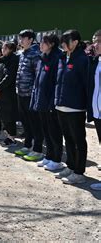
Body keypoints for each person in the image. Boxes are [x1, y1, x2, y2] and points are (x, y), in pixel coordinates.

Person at [54, 30, 89, 184]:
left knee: (78, 140)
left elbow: (87, 85)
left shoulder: (83, 59)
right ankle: (71, 165)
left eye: (65, 41)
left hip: (76, 107)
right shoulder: (63, 58)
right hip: (61, 106)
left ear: (75, 42)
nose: (63, 45)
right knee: (68, 139)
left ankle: (79, 172)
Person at [29, 33, 64, 171]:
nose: (40, 45)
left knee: (54, 131)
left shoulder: (57, 58)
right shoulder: (42, 58)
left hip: (50, 103)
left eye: (44, 42)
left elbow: (56, 83)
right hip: (41, 100)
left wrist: (51, 103)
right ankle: (49, 156)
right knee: (46, 131)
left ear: (52, 44)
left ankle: (57, 159)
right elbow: (38, 82)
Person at [14, 29, 44, 161]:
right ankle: (27, 145)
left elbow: (38, 76)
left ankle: (37, 150)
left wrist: (34, 93)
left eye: (23, 38)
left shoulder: (35, 54)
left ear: (30, 39)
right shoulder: (23, 53)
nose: (20, 41)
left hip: (30, 95)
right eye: (20, 38)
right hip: (21, 93)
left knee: (35, 123)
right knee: (25, 122)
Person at [0, 41, 19, 146]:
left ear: (11, 49)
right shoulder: (2, 61)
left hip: (8, 93)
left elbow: (9, 77)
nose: (3, 51)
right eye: (2, 48)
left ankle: (12, 138)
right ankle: (7, 135)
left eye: (5, 49)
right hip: (0, 93)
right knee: (3, 116)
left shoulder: (13, 60)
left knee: (9, 117)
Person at [87, 30, 101, 190]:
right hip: (97, 112)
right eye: (94, 41)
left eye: (98, 41)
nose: (94, 45)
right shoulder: (96, 61)